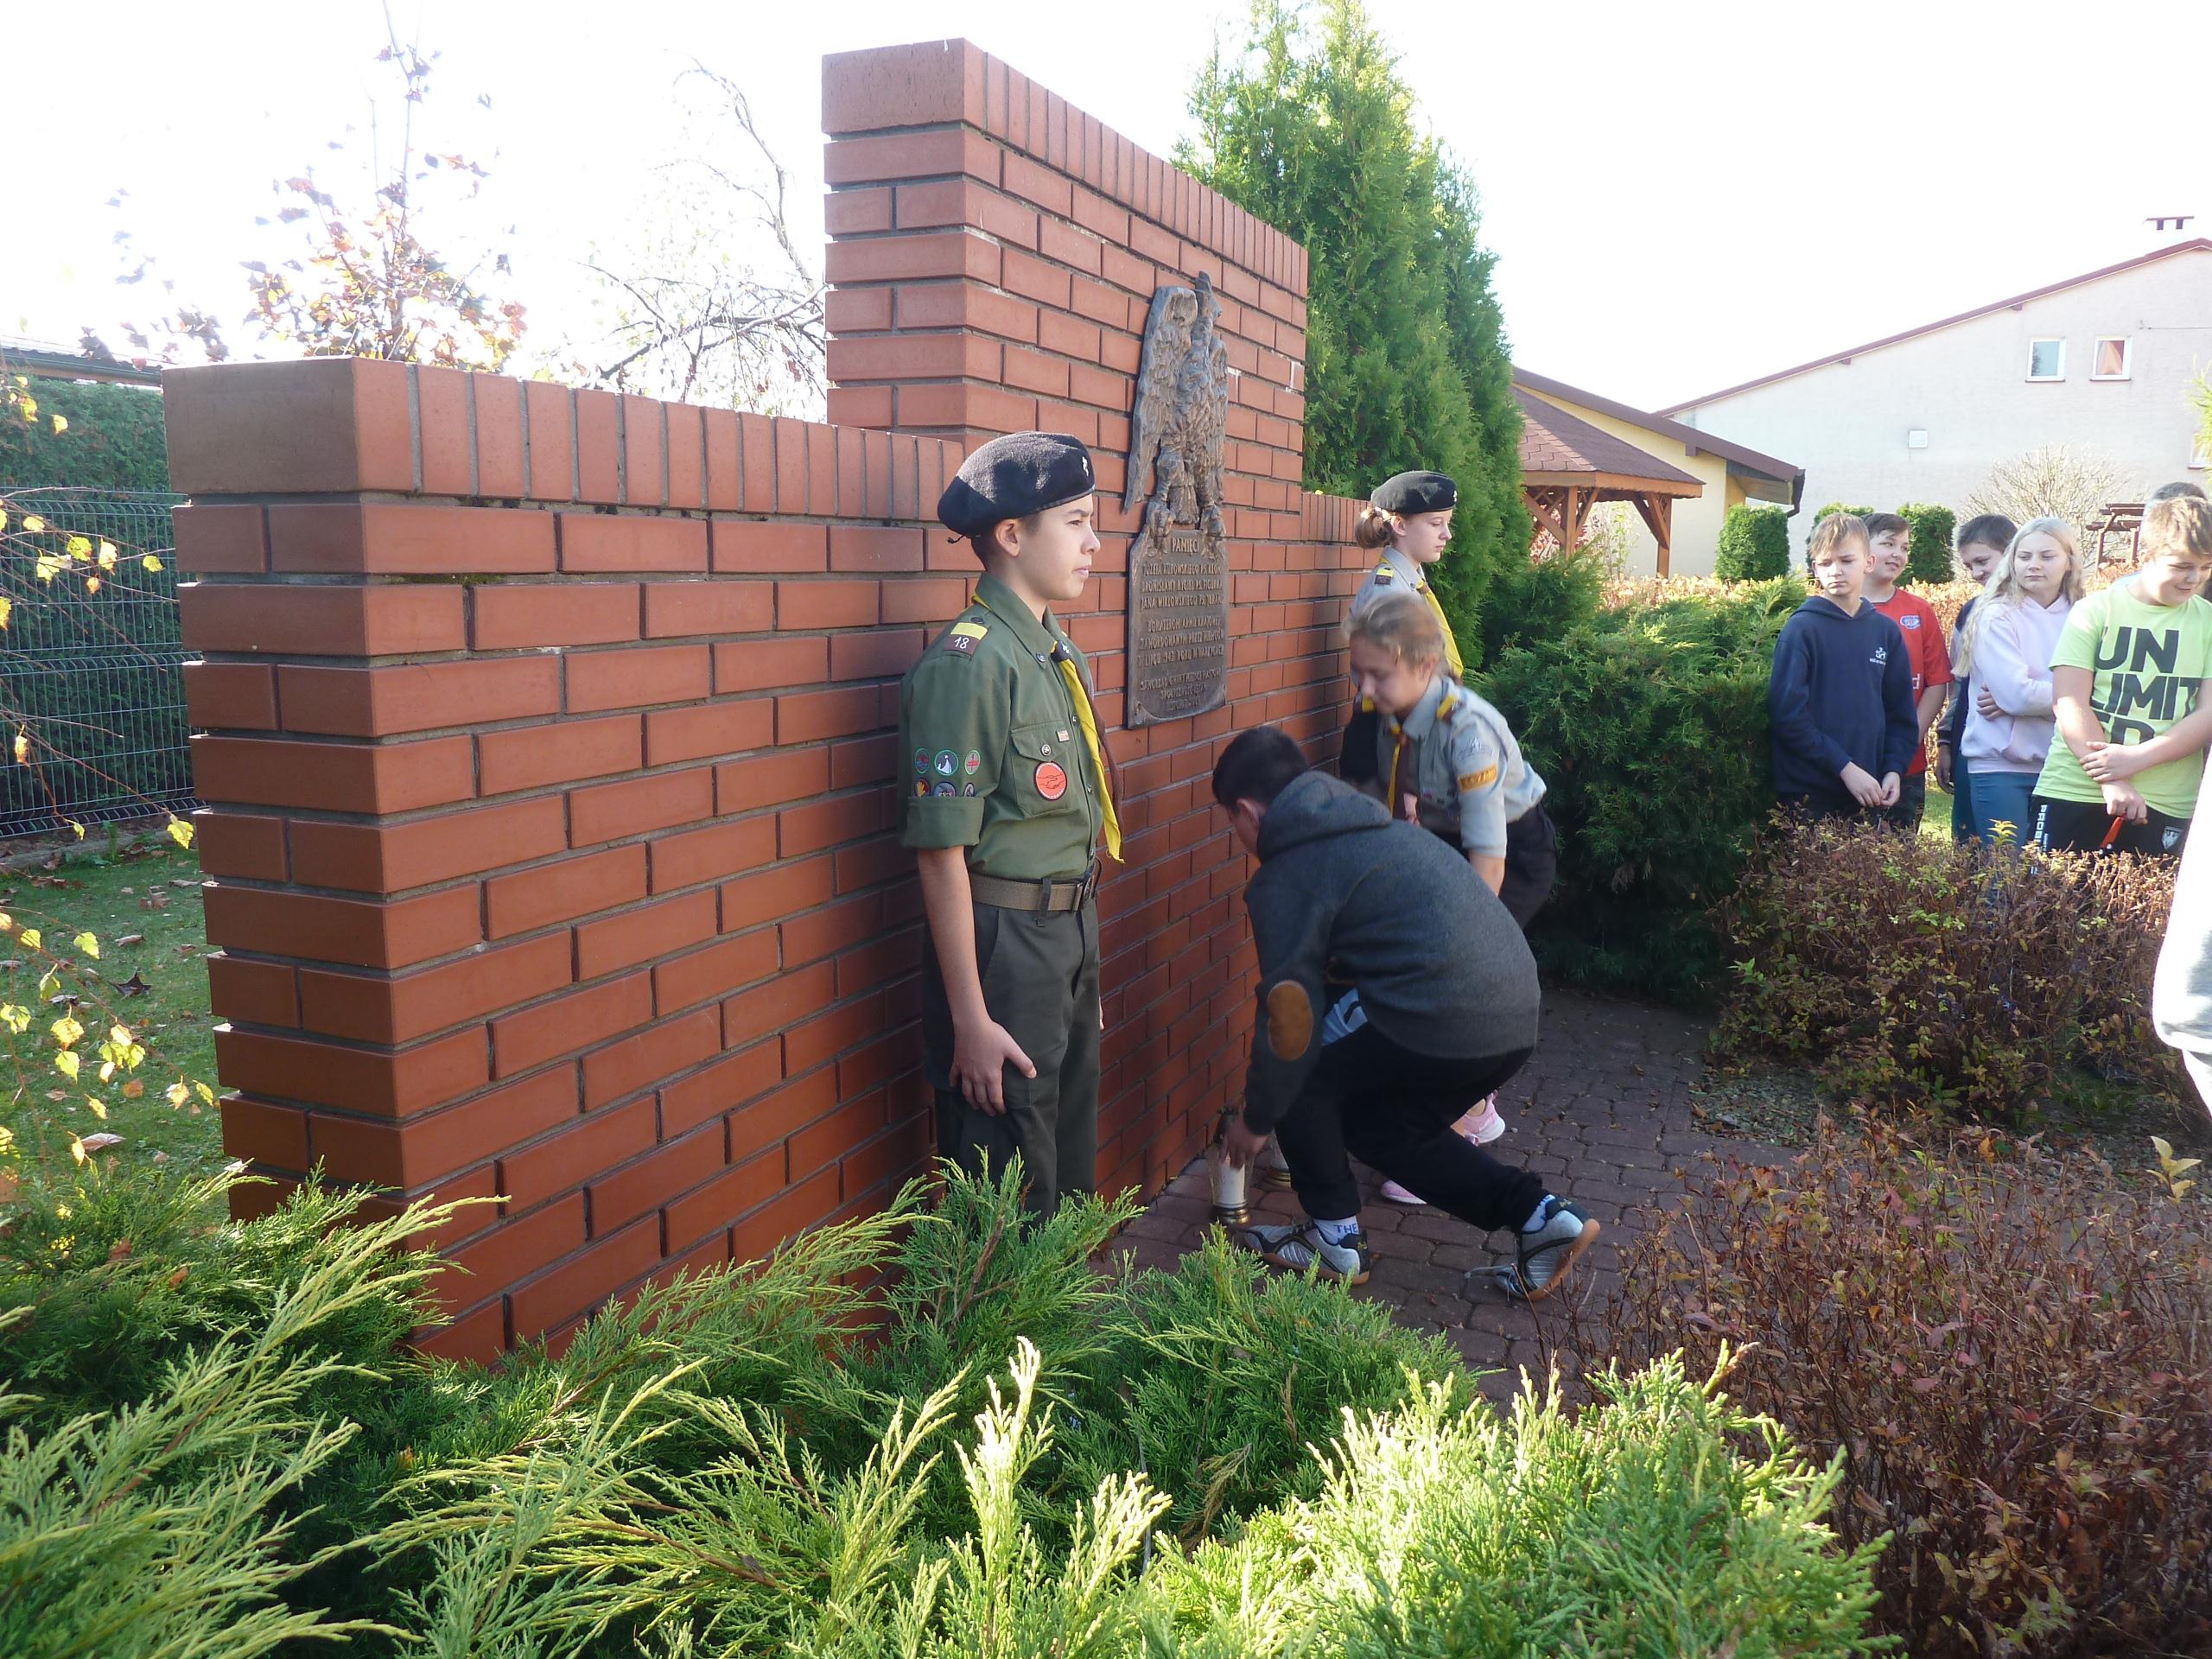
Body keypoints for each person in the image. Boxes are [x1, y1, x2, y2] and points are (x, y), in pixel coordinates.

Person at [1211, 726, 1598, 1300]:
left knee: (1300, 1069)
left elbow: (1290, 1019)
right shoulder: (1372, 827)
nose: (1237, 835)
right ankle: (1540, 1218)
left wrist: (1257, 1118)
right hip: (1514, 1010)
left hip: (1443, 1009)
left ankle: (1335, 1241)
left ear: (1247, 811)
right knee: (1381, 1128)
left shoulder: (1288, 876)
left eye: (1231, 822)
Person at [899, 432, 1122, 1217]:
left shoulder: (1054, 652)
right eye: (1076, 522)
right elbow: (940, 855)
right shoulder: (969, 666)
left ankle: (1060, 1303)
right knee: (1008, 1183)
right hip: (1003, 948)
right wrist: (970, 1018)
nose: (1095, 543)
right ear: (1012, 535)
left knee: (1067, 1166)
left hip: (1065, 936)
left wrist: (1080, 968)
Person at [1339, 588, 1554, 1199]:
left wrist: (1458, 950)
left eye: (1378, 675)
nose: (1365, 689)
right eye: (1358, 672)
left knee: (1458, 987)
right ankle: (1473, 1109)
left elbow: (1489, 861)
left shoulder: (1469, 732)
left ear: (1426, 666)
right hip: (1446, 843)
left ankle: (1449, 1134)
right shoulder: (1394, 715)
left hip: (1510, 855)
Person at [2032, 493, 2212, 857]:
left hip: (2167, 798)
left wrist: (2138, 758)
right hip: (2075, 787)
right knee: (2049, 893)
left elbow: (2207, 713)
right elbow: (2069, 701)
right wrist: (2112, 778)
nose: (2194, 578)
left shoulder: (2207, 621)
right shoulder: (2094, 611)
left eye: (2206, 566)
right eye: (2181, 566)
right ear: (2147, 556)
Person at [1769, 513, 1919, 822]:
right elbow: (1788, 716)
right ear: (1815, 569)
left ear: (1868, 562)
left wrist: (1894, 769)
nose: (1836, 571)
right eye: (1826, 563)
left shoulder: (1885, 632)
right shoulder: (1801, 629)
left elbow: (1901, 714)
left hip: (1870, 790)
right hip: (1809, 792)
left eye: (1847, 560)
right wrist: (1845, 768)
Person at [1955, 518, 2080, 844]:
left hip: (2064, 765)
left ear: (2069, 561)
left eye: (2046, 556)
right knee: (2006, 870)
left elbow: (2102, 691)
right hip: (2001, 766)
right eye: (2024, 557)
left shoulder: (2085, 616)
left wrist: (2027, 701)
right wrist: (2074, 700)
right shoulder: (1996, 615)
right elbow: (2016, 695)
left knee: (2055, 870)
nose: (2034, 565)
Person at [1339, 470, 1465, 791]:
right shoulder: (1390, 591)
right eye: (1436, 523)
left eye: (1447, 523)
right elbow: (1397, 681)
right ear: (1400, 525)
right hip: (1393, 733)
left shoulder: (1410, 581)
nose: (1447, 534)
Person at [1861, 512, 1953, 830]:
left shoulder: (1919, 610)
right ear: (1861, 547)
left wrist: (1907, 740)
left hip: (1905, 764)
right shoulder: (1835, 610)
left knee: (1898, 849)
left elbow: (1936, 682)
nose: (1898, 554)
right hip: (1849, 760)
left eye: (1904, 547)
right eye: (1889, 544)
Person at [1935, 513, 2018, 840]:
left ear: (2010, 551)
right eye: (1969, 566)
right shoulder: (1970, 611)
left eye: (1982, 561)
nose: (1975, 573)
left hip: (2024, 754)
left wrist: (2015, 698)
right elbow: (1959, 684)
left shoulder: (2048, 610)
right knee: (1969, 846)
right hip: (1971, 746)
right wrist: (1945, 741)